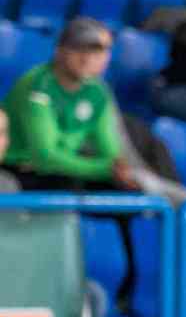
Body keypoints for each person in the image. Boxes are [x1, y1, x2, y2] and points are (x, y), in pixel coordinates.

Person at [2, 18, 139, 192]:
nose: (87, 58)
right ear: (59, 50)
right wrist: (106, 169)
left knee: (131, 189)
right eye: (78, 49)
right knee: (66, 184)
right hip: (21, 168)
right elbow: (45, 156)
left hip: (64, 168)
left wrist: (118, 169)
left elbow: (109, 148)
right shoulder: (38, 85)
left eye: (97, 51)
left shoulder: (98, 91)